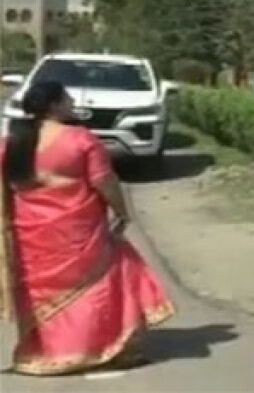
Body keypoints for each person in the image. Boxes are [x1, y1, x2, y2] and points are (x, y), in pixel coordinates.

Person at [0, 81, 174, 375]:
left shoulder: (13, 142)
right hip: (76, 231)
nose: (71, 102)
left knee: (43, 291)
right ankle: (94, 348)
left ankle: (46, 353)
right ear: (54, 104)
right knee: (98, 283)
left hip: (31, 234)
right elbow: (104, 181)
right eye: (66, 98)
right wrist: (122, 212)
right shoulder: (79, 140)